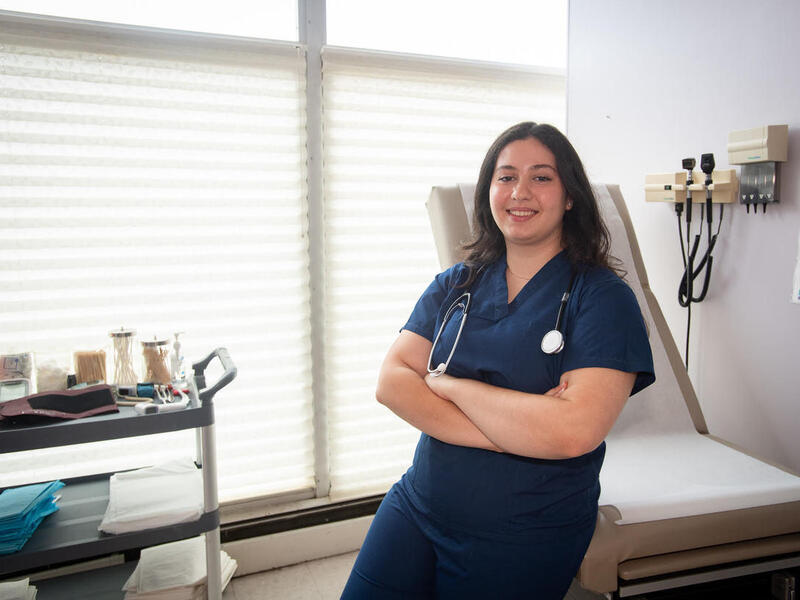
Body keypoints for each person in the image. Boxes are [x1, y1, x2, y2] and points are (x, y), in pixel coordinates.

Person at [340, 122, 655, 599]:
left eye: (542, 177)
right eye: (505, 177)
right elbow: (391, 382)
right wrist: (516, 432)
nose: (520, 192)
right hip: (420, 504)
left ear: (570, 196)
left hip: (524, 528)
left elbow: (572, 432)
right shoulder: (456, 284)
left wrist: (451, 386)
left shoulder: (603, 300)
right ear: (489, 191)